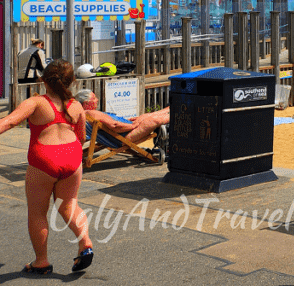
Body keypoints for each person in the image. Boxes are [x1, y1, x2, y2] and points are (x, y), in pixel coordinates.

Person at [0, 59, 95, 275]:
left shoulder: (36, 102)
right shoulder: (77, 106)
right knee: (69, 205)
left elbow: (9, 122)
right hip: (72, 157)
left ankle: (41, 262)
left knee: (37, 213)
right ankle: (85, 243)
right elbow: (81, 137)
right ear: (71, 82)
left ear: (44, 80)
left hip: (44, 159)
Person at [75, 90, 169, 145]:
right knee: (154, 120)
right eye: (94, 98)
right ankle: (176, 113)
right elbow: (115, 126)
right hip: (122, 137)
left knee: (145, 116)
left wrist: (127, 122)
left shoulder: (83, 115)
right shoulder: (91, 113)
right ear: (87, 103)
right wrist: (133, 126)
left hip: (117, 135)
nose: (97, 100)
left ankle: (170, 109)